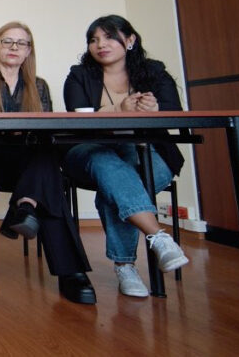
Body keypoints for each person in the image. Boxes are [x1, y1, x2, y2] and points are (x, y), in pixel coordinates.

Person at [62, 15, 189, 298]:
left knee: (116, 185)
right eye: (94, 39)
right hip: (91, 150)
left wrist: (155, 110)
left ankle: (125, 267)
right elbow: (75, 118)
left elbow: (174, 108)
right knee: (107, 164)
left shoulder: (153, 71)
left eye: (109, 37)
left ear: (130, 40)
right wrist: (118, 109)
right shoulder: (79, 74)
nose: (100, 44)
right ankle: (158, 237)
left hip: (147, 151)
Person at [0, 22, 95, 304]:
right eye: (7, 42)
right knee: (50, 176)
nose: (14, 48)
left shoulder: (38, 85)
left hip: (29, 163)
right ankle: (72, 273)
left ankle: (25, 207)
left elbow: (45, 129)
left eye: (21, 43)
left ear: (29, 51)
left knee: (46, 156)